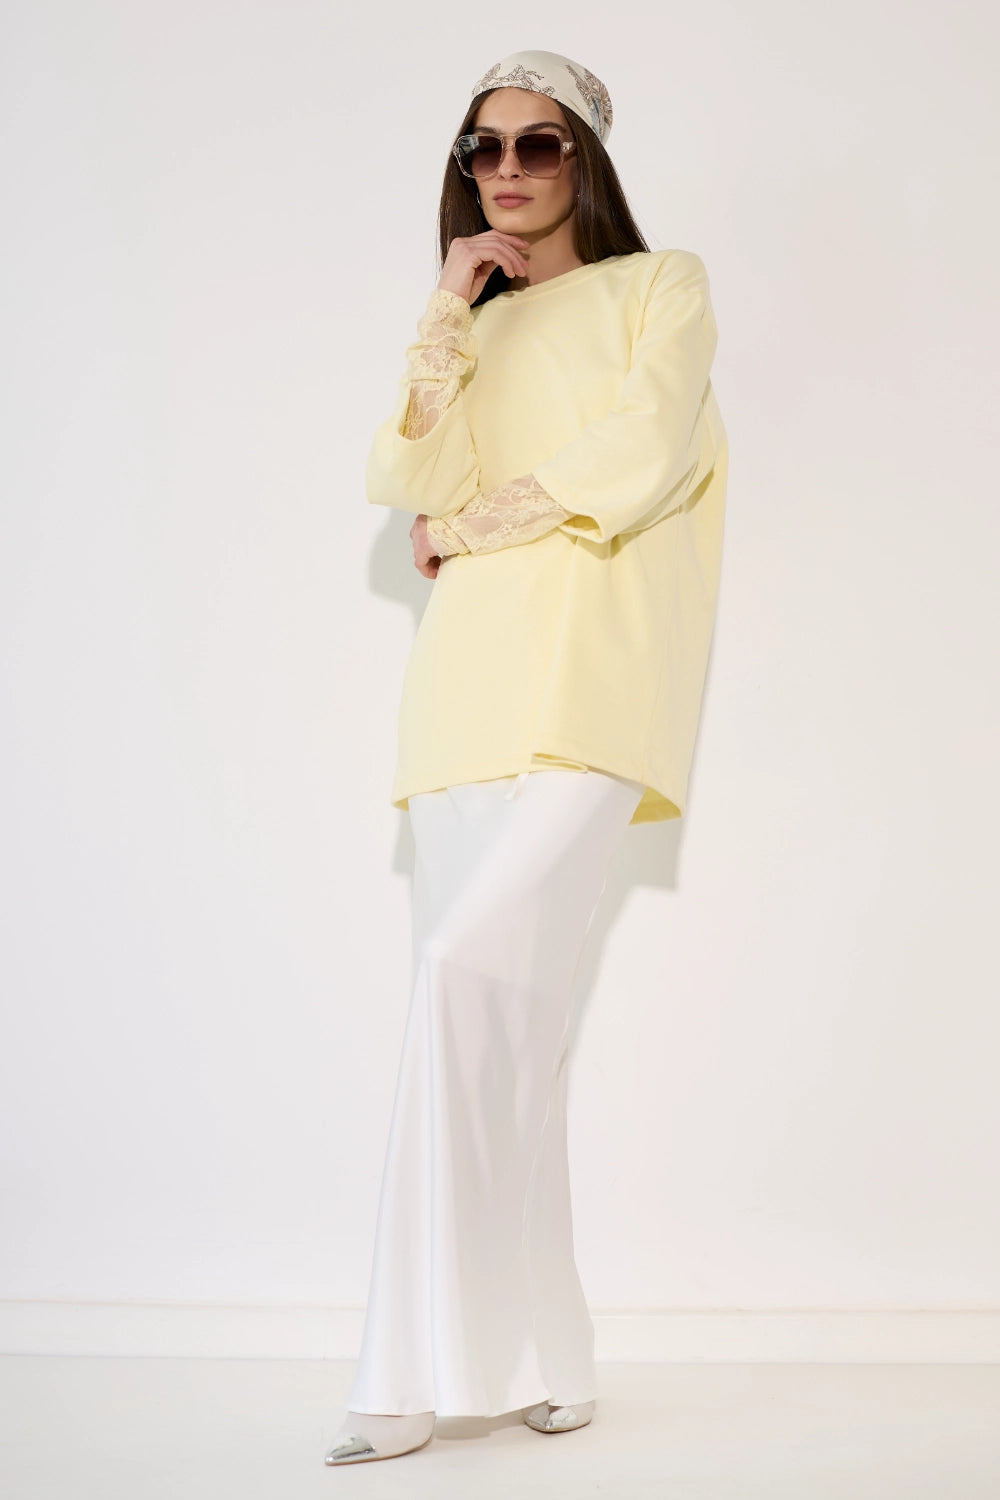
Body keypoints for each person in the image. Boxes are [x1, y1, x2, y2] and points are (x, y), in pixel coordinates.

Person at [324, 47, 729, 1467]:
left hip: (596, 687)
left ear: (585, 160)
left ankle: (400, 1374)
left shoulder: (660, 285)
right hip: (460, 701)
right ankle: (552, 1354)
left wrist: (477, 524)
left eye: (539, 144)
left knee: (466, 982)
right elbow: (404, 479)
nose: (507, 168)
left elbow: (644, 449)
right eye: (483, 146)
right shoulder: (477, 329)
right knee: (515, 1036)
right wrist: (447, 306)